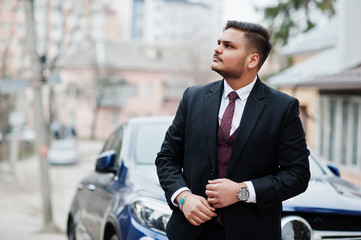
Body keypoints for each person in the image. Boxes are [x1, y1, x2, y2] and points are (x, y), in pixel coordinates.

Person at [155, 20, 310, 240]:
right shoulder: (193, 98)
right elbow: (166, 158)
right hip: (190, 233)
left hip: (252, 233)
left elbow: (298, 175)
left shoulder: (282, 108)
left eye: (229, 46)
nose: (217, 49)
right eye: (219, 43)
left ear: (252, 60)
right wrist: (183, 197)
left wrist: (241, 191)